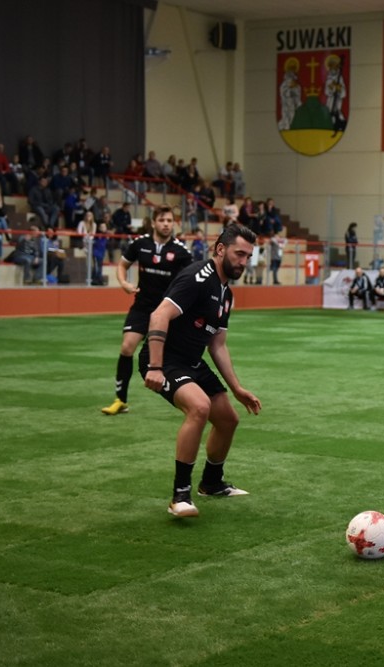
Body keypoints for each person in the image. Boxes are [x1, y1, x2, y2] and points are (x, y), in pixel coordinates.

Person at [141, 223, 262, 518]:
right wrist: (155, 367)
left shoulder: (226, 294)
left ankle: (211, 483)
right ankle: (180, 495)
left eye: (248, 256)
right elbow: (159, 315)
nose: (244, 262)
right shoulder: (198, 277)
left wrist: (236, 388)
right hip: (165, 359)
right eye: (239, 254)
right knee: (199, 407)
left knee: (228, 419)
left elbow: (217, 344)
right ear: (220, 249)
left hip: (192, 361)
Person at [101, 205, 193, 416]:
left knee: (175, 357)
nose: (166, 224)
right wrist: (124, 283)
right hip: (142, 306)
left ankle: (189, 399)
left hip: (166, 311)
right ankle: (120, 400)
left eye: (169, 221)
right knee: (127, 347)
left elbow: (191, 279)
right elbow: (122, 265)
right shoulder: (140, 244)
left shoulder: (181, 251)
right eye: (162, 220)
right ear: (153, 223)